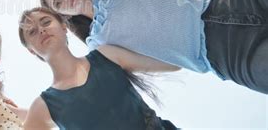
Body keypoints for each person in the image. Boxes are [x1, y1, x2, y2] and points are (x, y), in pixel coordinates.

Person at [41, 0, 268, 94]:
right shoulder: (99, 44)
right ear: (64, 16)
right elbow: (170, 65)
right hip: (227, 55)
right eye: (57, 2)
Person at [18, 7, 177, 129]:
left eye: (46, 22)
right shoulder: (43, 106)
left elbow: (171, 63)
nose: (41, 30)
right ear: (31, 50)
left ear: (64, 27)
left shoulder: (106, 55)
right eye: (32, 32)